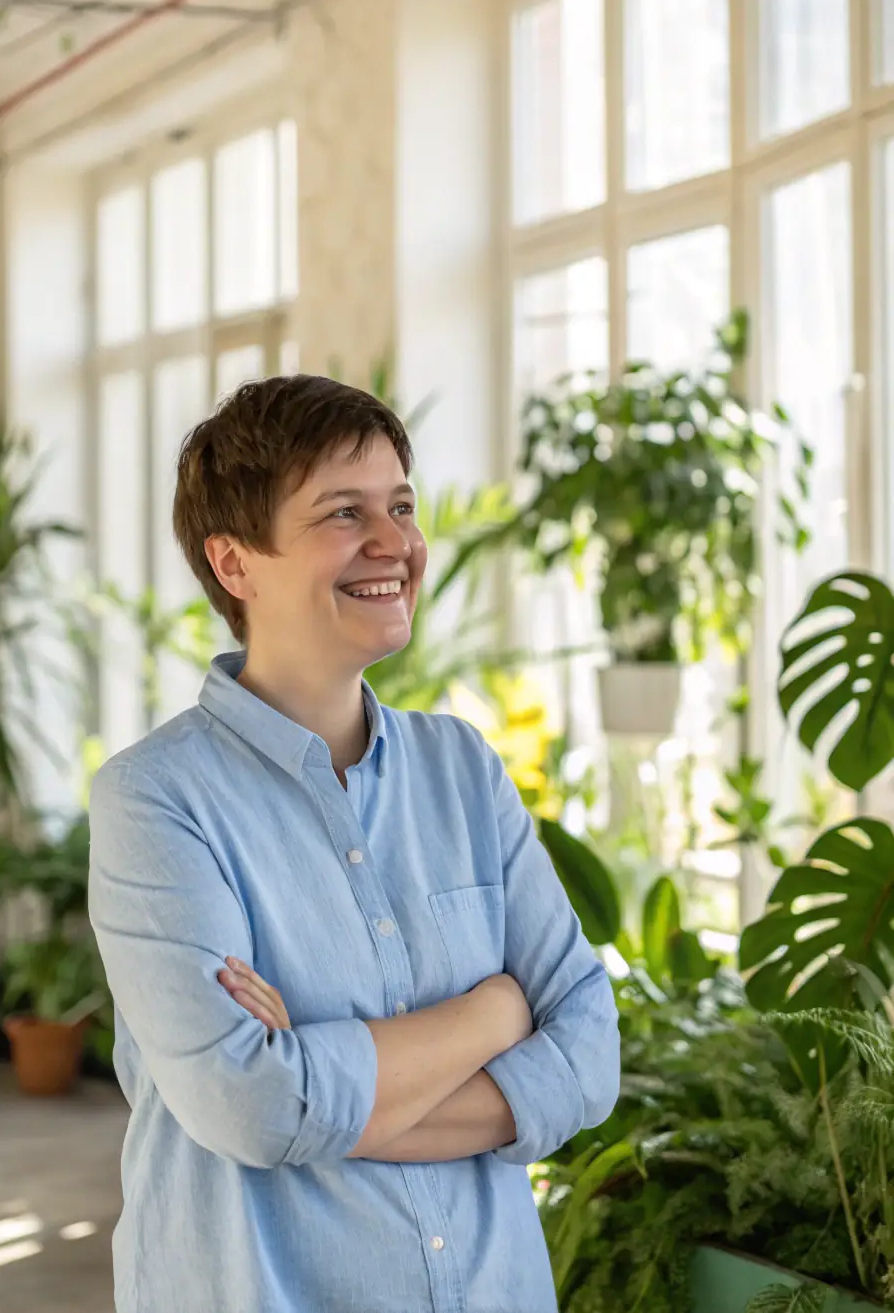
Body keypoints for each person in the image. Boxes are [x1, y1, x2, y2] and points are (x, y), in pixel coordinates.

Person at [88, 374, 620, 1313]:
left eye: (401, 506)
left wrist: (331, 1091)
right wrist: (495, 1013)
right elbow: (249, 1104)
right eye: (345, 512)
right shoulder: (154, 800)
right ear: (234, 562)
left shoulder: (463, 770)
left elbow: (588, 1055)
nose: (396, 543)